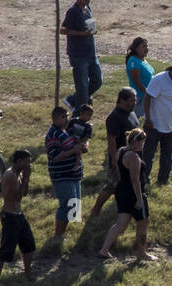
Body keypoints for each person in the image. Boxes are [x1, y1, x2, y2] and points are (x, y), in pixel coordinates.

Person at [98, 129, 156, 261]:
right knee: (143, 222)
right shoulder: (134, 157)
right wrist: (140, 199)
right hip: (133, 193)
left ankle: (104, 249)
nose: (143, 145)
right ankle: (142, 253)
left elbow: (119, 171)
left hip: (121, 191)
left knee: (120, 223)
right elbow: (135, 180)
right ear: (136, 141)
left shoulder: (121, 150)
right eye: (142, 142)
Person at [89, 89, 140, 218]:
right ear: (122, 100)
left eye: (135, 100)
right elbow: (111, 140)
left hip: (132, 156)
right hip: (119, 157)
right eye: (131, 101)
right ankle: (96, 210)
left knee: (132, 183)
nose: (134, 103)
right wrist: (114, 160)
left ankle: (128, 211)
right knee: (112, 186)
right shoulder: (114, 117)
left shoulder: (131, 113)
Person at [143, 61, 172, 187]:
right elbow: (148, 97)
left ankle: (163, 180)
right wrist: (148, 118)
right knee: (148, 155)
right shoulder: (159, 79)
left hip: (171, 125)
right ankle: (143, 180)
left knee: (167, 155)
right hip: (154, 124)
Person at [45, 106, 87, 240]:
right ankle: (58, 236)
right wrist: (73, 151)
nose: (67, 118)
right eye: (64, 116)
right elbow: (55, 156)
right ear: (55, 118)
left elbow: (80, 142)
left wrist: (83, 146)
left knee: (75, 205)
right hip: (62, 175)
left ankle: (64, 234)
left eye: (67, 115)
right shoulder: (53, 134)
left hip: (74, 174)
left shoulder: (68, 131)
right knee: (67, 204)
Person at [0, 149, 36, 283]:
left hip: (19, 214)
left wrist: (26, 178)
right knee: (6, 249)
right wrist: (26, 177)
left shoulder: (20, 173)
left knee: (29, 245)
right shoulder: (10, 175)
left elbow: (25, 193)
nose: (30, 165)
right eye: (27, 162)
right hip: (10, 216)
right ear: (19, 161)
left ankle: (27, 273)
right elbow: (16, 197)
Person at [61, 0, 101, 111]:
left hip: (90, 52)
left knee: (97, 80)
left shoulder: (87, 8)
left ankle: (73, 99)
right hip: (78, 55)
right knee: (82, 87)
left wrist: (92, 31)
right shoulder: (73, 11)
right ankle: (78, 115)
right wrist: (81, 34)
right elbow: (63, 30)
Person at [125, 38, 158, 176]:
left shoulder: (143, 60)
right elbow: (137, 81)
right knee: (135, 122)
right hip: (139, 97)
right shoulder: (133, 61)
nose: (146, 48)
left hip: (148, 95)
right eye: (143, 46)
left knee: (145, 120)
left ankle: (141, 141)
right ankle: (129, 144)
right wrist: (147, 93)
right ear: (136, 47)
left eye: (147, 46)